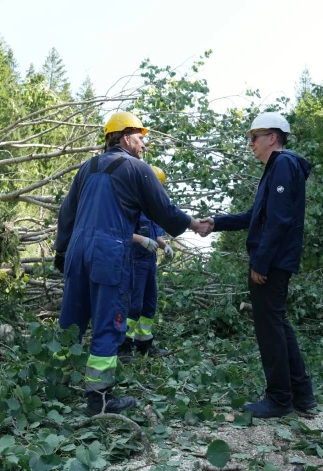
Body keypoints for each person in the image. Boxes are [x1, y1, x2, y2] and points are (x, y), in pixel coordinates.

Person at [54, 111, 211, 416]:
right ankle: (98, 401)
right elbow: (164, 210)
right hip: (108, 253)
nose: (143, 145)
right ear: (126, 137)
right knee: (108, 325)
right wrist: (194, 224)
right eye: (140, 138)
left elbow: (66, 214)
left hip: (77, 250)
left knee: (70, 324)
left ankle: (57, 385)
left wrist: (61, 253)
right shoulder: (137, 168)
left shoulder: (86, 168)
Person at [200, 112, 316, 418]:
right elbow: (256, 215)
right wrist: (216, 222)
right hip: (277, 260)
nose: (250, 144)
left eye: (254, 137)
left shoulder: (283, 164)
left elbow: (279, 222)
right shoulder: (277, 170)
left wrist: (261, 262)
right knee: (278, 323)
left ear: (273, 137)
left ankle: (279, 398)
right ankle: (301, 394)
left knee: (270, 328)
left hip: (273, 262)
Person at [117, 166, 174, 361]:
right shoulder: (132, 205)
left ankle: (144, 344)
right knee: (134, 305)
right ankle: (124, 346)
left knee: (149, 304)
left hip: (150, 262)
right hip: (134, 261)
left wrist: (165, 245)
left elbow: (156, 235)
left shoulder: (153, 209)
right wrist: (141, 240)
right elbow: (121, 231)